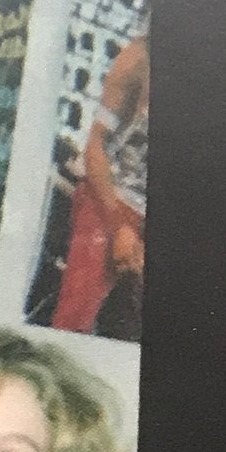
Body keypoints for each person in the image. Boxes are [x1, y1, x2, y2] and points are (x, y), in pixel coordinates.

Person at [51, 27, 147, 339]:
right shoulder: (137, 59)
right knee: (75, 320)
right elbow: (95, 147)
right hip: (112, 202)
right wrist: (119, 226)